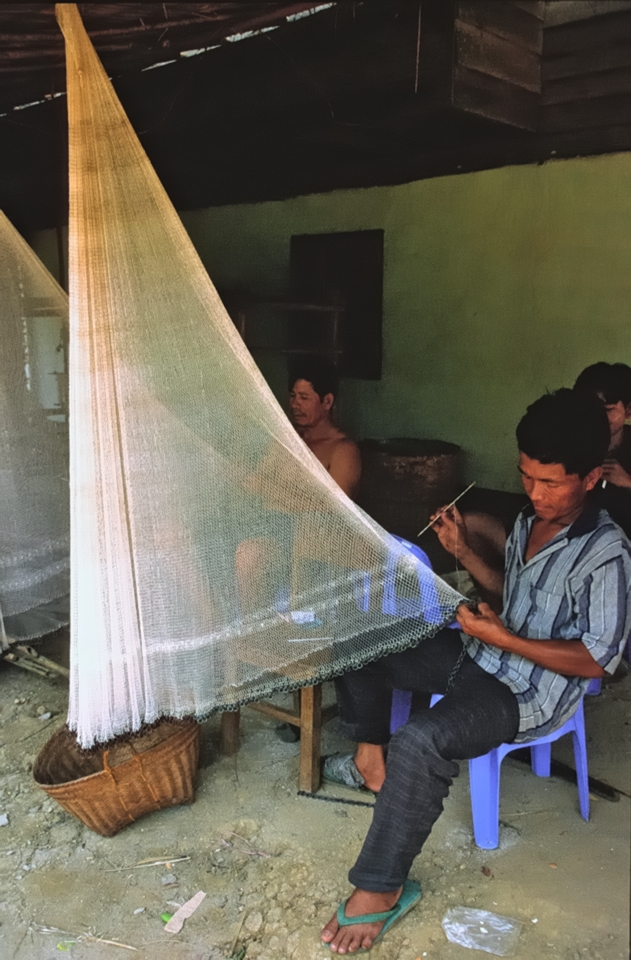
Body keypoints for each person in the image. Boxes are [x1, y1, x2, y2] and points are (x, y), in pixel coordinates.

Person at [320, 388, 631, 954]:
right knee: (361, 637)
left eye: (551, 483)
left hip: (530, 692)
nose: (534, 493)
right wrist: (465, 553)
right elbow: (510, 594)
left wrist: (505, 636)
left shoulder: (607, 553)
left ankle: (380, 889)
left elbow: (598, 659)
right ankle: (371, 757)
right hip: (484, 654)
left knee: (421, 741)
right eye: (526, 476)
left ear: (589, 478)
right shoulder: (528, 520)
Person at [288, 354, 361, 499]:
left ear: (327, 402)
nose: (295, 405)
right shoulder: (289, 439)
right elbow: (254, 484)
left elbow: (336, 511)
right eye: (292, 396)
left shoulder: (343, 451)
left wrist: (281, 502)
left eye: (304, 398)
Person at [573, 361, 631, 537]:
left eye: (608, 409)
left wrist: (627, 481)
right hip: (585, 536)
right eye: (591, 409)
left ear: (629, 410)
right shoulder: (573, 442)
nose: (598, 417)